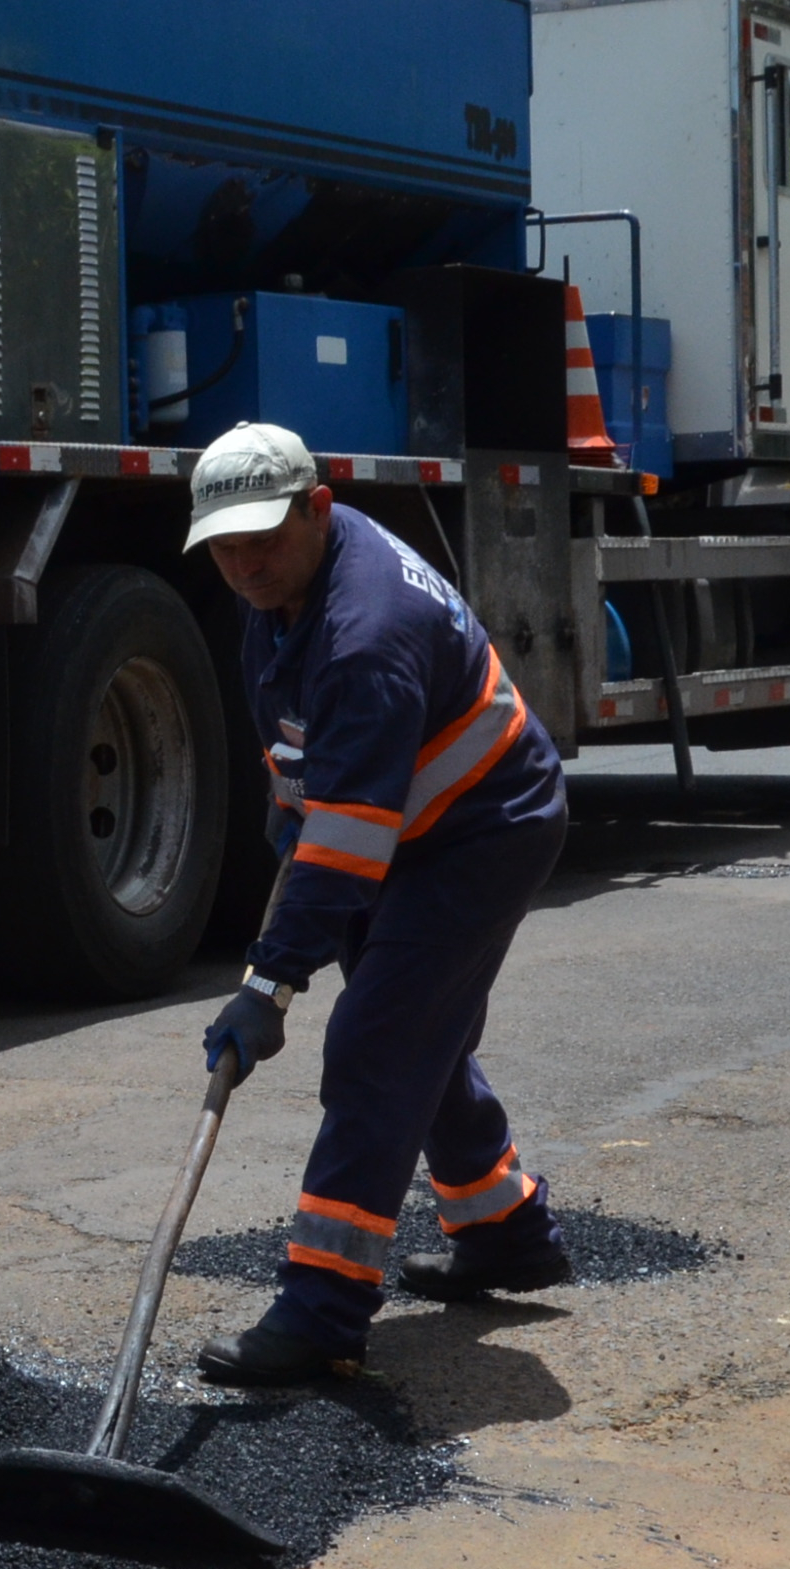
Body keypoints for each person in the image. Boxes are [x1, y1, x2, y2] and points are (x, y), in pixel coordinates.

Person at [181, 422, 574, 1387]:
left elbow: (349, 842)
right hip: (409, 821)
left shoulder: (365, 634)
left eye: (262, 541)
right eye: (223, 548)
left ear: (318, 507)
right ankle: (505, 1226)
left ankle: (324, 1309)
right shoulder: (281, 590)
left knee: (377, 1044)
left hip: (483, 826)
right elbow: (300, 766)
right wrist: (291, 844)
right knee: (412, 1031)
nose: (242, 566)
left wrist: (268, 983)